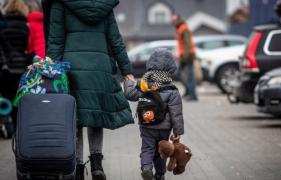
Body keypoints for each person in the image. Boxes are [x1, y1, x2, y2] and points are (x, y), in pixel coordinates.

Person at [42, 0, 135, 179]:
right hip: (99, 69)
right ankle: (96, 165)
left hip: (72, 69)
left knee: (74, 118)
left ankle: (77, 167)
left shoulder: (60, 4)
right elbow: (115, 40)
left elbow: (56, 41)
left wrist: (50, 71)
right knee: (95, 116)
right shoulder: (104, 5)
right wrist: (127, 70)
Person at [124, 48, 184, 180]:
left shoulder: (144, 84)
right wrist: (177, 130)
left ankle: (146, 168)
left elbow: (130, 94)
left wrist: (129, 81)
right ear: (171, 67)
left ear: (150, 63)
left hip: (146, 124)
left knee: (147, 148)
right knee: (162, 150)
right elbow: (176, 113)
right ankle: (160, 174)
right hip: (164, 127)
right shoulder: (172, 89)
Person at [0, 0, 29, 129]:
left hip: (6, 65)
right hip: (20, 65)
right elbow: (26, 45)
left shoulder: (3, 23)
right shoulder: (23, 25)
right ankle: (17, 127)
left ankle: (8, 123)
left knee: (6, 96)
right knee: (17, 96)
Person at [172, 14, 198, 101]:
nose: (173, 22)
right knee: (179, 73)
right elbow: (180, 44)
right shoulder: (179, 28)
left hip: (188, 56)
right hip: (184, 56)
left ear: (179, 20)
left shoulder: (184, 28)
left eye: (175, 20)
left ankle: (192, 95)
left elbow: (188, 44)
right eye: (172, 20)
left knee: (190, 76)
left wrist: (186, 56)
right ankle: (189, 91)